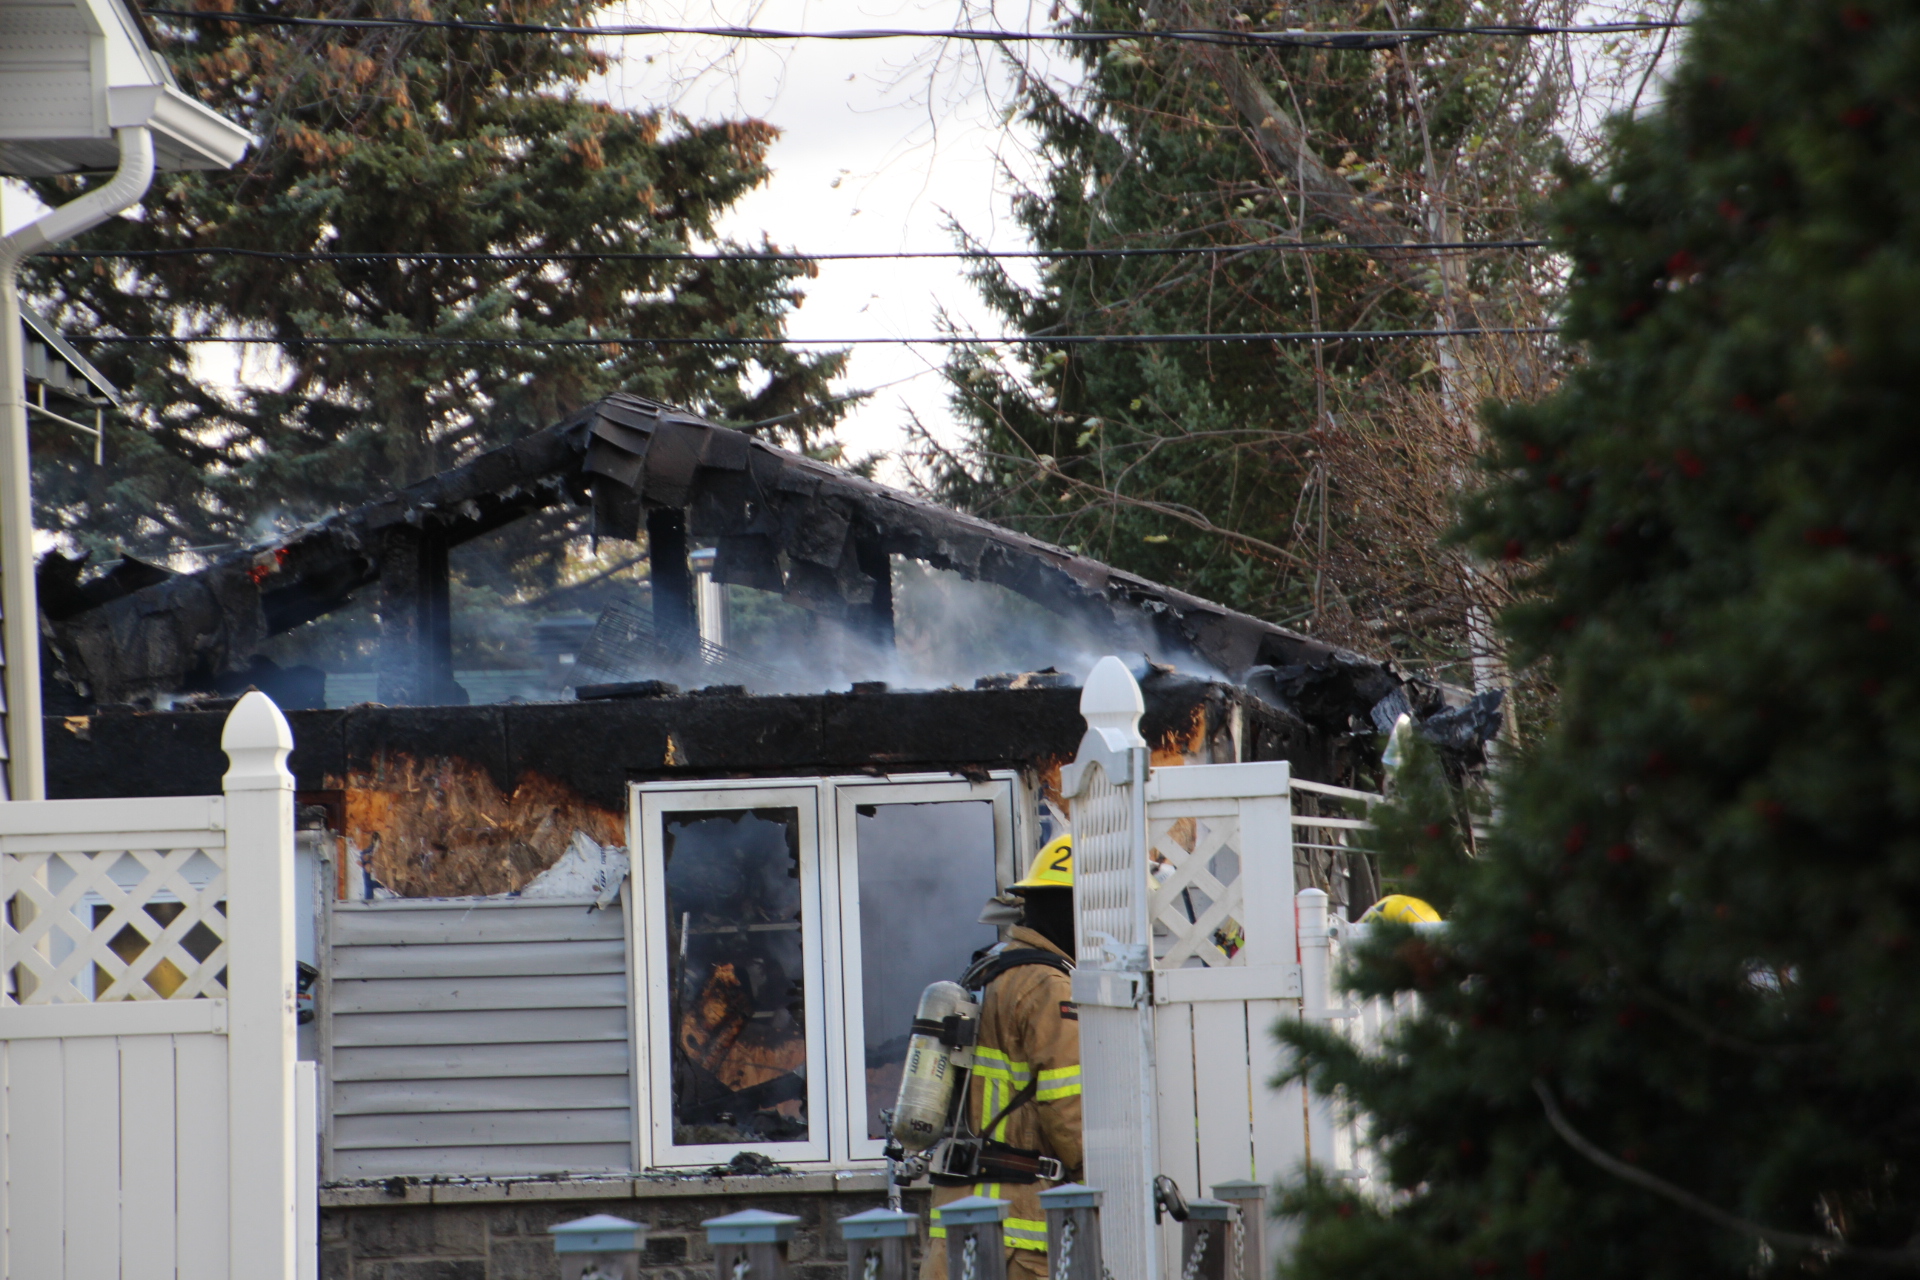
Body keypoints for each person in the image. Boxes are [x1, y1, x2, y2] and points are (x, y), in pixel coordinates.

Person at [923, 835, 1082, 1280]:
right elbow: (1069, 1110)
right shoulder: (1050, 986)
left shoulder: (987, 969)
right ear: (1076, 910)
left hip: (957, 1218)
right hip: (1018, 1234)